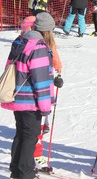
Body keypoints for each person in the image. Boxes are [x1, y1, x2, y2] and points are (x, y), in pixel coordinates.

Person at [1, 12, 56, 179]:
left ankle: (17, 172)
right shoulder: (38, 47)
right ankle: (25, 174)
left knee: (21, 134)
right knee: (30, 138)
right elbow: (40, 80)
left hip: (18, 98)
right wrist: (45, 106)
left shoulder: (21, 41)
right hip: (30, 101)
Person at [20, 15, 63, 172]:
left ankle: (29, 160)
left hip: (40, 92)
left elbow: (53, 64)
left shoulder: (47, 44)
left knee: (37, 129)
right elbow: (38, 75)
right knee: (32, 131)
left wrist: (56, 75)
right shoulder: (34, 44)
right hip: (33, 96)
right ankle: (30, 161)